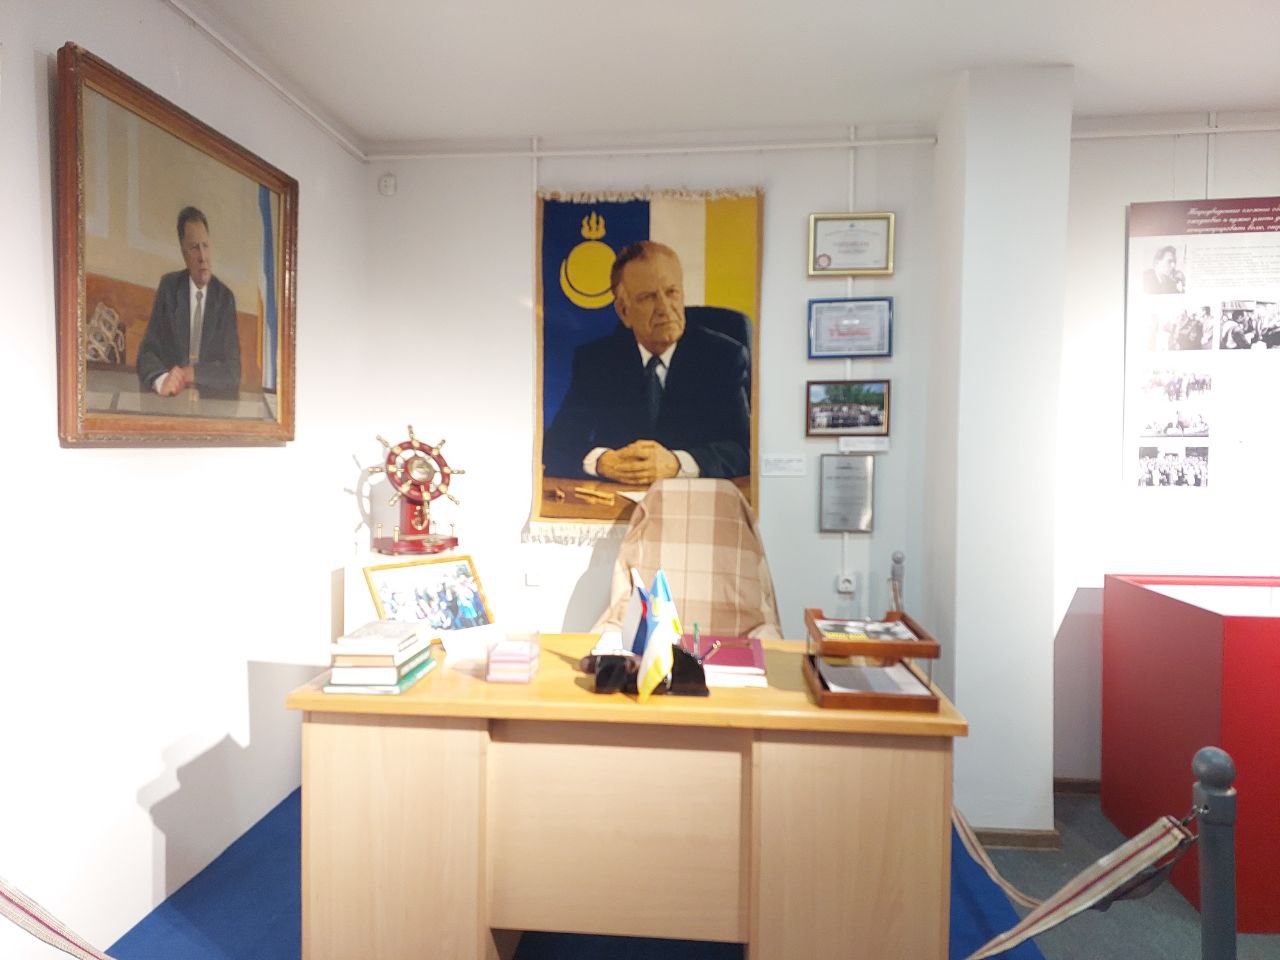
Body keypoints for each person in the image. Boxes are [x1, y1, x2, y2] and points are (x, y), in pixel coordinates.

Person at [543, 241, 750, 483]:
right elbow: (556, 445)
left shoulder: (723, 357)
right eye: (648, 297)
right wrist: (602, 462)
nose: (664, 308)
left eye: (671, 292)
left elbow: (743, 449)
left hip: (694, 498)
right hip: (619, 499)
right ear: (624, 312)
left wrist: (678, 463)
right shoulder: (597, 361)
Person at [136, 206, 241, 398]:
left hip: (210, 403)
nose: (203, 257)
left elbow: (233, 372)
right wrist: (162, 380)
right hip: (171, 400)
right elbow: (147, 353)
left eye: (205, 246)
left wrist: (193, 373)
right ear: (184, 253)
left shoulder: (225, 298)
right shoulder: (169, 288)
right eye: (194, 248)